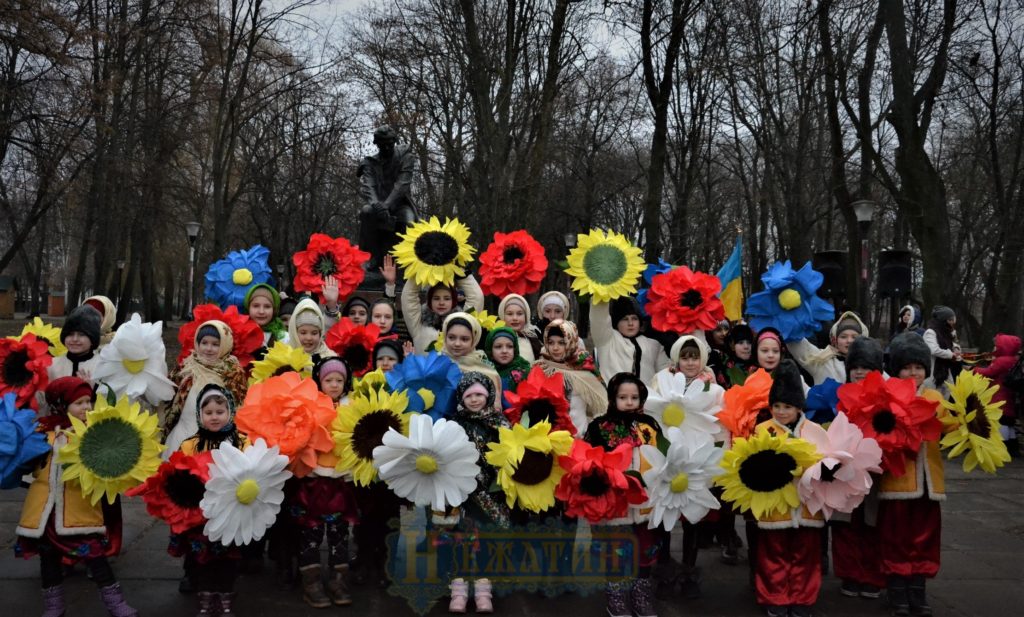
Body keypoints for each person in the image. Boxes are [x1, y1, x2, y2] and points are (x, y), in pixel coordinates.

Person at [16, 377, 139, 617]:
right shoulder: (42, 431)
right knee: (49, 561)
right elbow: (28, 464)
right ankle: (54, 606)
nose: (86, 407)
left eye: (89, 401)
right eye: (79, 403)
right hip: (43, 510)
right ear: (61, 404)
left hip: (78, 511)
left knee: (94, 556)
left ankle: (116, 603)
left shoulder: (95, 432)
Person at [878, 332, 948, 617]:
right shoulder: (886, 396)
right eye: (906, 367)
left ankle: (917, 589)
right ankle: (897, 588)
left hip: (929, 484)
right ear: (896, 370)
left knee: (925, 538)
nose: (913, 373)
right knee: (896, 537)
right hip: (897, 482)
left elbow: (949, 426)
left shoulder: (933, 397)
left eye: (918, 367)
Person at [583, 373, 662, 617]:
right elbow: (588, 462)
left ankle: (641, 593)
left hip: (647, 496)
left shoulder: (650, 425)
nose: (629, 402)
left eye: (634, 397)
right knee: (615, 548)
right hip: (615, 498)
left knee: (646, 546)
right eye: (622, 397)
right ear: (612, 398)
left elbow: (662, 457)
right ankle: (615, 593)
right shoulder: (599, 427)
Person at [749, 360, 825, 617]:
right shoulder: (762, 430)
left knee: (806, 555)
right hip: (774, 507)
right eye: (777, 406)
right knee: (773, 555)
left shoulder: (814, 431)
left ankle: (802, 599)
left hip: (807, 508)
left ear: (798, 407)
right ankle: (776, 598)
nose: (781, 412)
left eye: (788, 406)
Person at [172, 384, 247, 615]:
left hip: (231, 512)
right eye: (209, 413)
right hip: (200, 515)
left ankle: (225, 596)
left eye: (220, 412)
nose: (214, 417)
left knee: (227, 557)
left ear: (230, 412)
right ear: (199, 415)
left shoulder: (242, 442)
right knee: (202, 555)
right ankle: (205, 596)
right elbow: (180, 474)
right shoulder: (190, 444)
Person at [441, 372, 511, 613]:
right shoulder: (452, 423)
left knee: (485, 540)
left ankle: (483, 589)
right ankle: (457, 589)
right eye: (469, 395)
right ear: (461, 397)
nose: (474, 400)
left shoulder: (500, 423)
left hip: (489, 493)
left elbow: (511, 453)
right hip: (456, 493)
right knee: (455, 538)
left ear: (489, 395)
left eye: (479, 394)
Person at [295, 358, 358, 608]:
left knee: (339, 532)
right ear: (319, 381)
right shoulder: (310, 404)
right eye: (328, 380)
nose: (334, 385)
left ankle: (338, 580)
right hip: (313, 478)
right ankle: (310, 582)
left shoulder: (352, 405)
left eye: (339, 380)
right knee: (310, 531)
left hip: (340, 480)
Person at [831, 336, 886, 601]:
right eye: (855, 366)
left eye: (866, 366)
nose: (860, 371)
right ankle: (850, 575)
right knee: (846, 526)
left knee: (871, 525)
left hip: (875, 475)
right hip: (845, 473)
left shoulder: (886, 398)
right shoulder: (840, 395)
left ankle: (872, 576)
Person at [164, 321, 248, 454]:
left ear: (225, 345)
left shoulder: (233, 374)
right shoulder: (185, 369)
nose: (208, 349)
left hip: (217, 441)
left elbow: (240, 409)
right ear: (197, 343)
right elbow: (167, 399)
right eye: (204, 343)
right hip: (182, 436)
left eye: (215, 344)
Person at [535, 320, 607, 435]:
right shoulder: (541, 368)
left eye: (561, 343)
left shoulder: (584, 368)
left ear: (571, 341)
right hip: (548, 440)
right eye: (551, 342)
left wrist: (592, 432)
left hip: (580, 437)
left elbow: (602, 406)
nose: (555, 348)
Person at [590, 296, 670, 387]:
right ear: (616, 322)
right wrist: (601, 295)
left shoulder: (653, 345)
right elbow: (599, 318)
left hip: (648, 399)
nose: (630, 323)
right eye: (625, 319)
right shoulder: (606, 340)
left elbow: (665, 375)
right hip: (613, 398)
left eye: (634, 318)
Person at [401, 276, 484, 354]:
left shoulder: (463, 320)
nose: (441, 303)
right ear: (430, 301)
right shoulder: (418, 324)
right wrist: (420, 271)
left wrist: (463, 275)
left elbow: (476, 298)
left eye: (447, 298)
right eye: (436, 298)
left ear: (453, 301)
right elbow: (408, 296)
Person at [786, 311, 868, 385]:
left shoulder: (872, 364)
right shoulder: (822, 361)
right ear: (835, 340)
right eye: (843, 337)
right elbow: (796, 343)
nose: (849, 340)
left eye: (854, 337)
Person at [439, 312, 502, 409]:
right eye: (451, 337)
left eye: (464, 339)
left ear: (474, 340)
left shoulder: (482, 363)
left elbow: (494, 406)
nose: (457, 344)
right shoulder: (436, 362)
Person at [973, 334, 1022, 457]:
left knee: (1001, 421)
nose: (994, 347)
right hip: (1009, 394)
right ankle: (1013, 446)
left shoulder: (1001, 361)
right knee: (1009, 421)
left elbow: (989, 372)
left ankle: (1002, 446)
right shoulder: (1013, 359)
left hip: (999, 394)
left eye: (997, 346)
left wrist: (975, 369)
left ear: (1003, 347)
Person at [47, 305, 102, 382]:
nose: (75, 339)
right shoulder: (52, 365)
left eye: (81, 334)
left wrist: (89, 390)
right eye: (70, 334)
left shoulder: (101, 366)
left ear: (93, 339)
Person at [484, 326, 531, 407]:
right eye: (498, 347)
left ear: (515, 349)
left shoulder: (524, 370)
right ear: (490, 350)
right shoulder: (484, 371)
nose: (504, 351)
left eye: (509, 346)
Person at [286, 298, 336, 363]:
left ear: (320, 334)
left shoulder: (331, 359)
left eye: (314, 333)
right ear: (295, 332)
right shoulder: (283, 357)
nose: (309, 338)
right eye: (303, 333)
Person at [923, 305, 962, 388]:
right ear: (943, 320)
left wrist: (955, 348)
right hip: (933, 372)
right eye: (950, 320)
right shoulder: (930, 332)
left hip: (946, 370)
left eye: (953, 320)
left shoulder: (946, 332)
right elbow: (933, 350)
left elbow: (951, 343)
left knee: (949, 392)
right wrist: (951, 355)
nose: (952, 322)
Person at [497, 293, 541, 361]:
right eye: (510, 314)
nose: (515, 318)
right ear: (503, 316)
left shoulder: (533, 341)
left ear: (526, 316)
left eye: (519, 314)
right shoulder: (496, 339)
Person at [244, 283, 288, 349]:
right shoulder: (240, 335)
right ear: (248, 308)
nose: (261, 311)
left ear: (274, 309)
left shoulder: (284, 338)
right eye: (256, 306)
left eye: (267, 306)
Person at [717, 323, 756, 388]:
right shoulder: (724, 370)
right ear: (732, 345)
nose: (746, 346)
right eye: (740, 343)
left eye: (749, 342)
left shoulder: (759, 366)